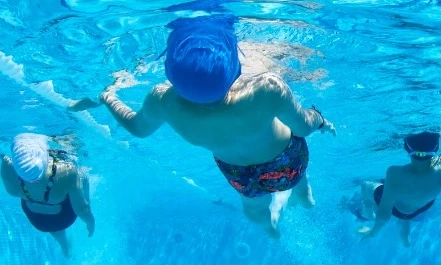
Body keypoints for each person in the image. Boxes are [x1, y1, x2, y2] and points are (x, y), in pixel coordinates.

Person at [97, 14, 333, 237]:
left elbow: (137, 128)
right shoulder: (267, 89)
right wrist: (320, 119)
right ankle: (304, 198)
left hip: (237, 172)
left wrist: (108, 97)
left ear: (168, 71)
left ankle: (269, 227)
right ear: (236, 67)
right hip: (285, 159)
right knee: (298, 180)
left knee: (253, 208)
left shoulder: (163, 102)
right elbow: (303, 127)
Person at [359, 132, 441, 247]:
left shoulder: (394, 173)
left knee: (365, 185)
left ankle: (368, 214)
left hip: (398, 208)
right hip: (421, 207)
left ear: (406, 147)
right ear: (436, 147)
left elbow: (384, 214)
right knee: (409, 207)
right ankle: (405, 237)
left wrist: (373, 232)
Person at [0, 133, 95, 257]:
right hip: (63, 218)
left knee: (54, 228)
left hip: (37, 220)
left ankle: (64, 246)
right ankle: (65, 246)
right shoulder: (66, 172)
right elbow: (81, 209)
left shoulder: (7, 168)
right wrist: (90, 222)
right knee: (82, 173)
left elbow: (12, 189)